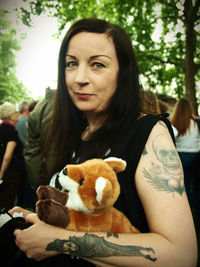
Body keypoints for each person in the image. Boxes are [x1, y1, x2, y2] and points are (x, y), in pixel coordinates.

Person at [10, 18, 197, 267]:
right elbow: (88, 218)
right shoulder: (76, 132)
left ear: (123, 72)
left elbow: (182, 254)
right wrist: (35, 220)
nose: (80, 77)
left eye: (97, 64)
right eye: (71, 64)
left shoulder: (149, 134)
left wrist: (58, 241)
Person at [171, 98, 200, 223]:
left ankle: (186, 218)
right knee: (198, 188)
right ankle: (197, 216)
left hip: (180, 158)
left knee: (184, 188)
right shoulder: (197, 123)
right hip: (196, 158)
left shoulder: (174, 123)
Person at [24, 88, 55, 189]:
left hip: (40, 176)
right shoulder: (55, 106)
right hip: (50, 178)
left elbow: (32, 151)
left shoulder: (44, 105)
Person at [0, 102, 25, 210]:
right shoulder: (11, 131)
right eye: (16, 112)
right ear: (10, 116)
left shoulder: (1, 128)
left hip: (3, 170)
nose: (18, 114)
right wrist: (1, 174)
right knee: (7, 203)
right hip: (10, 172)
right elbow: (8, 155)